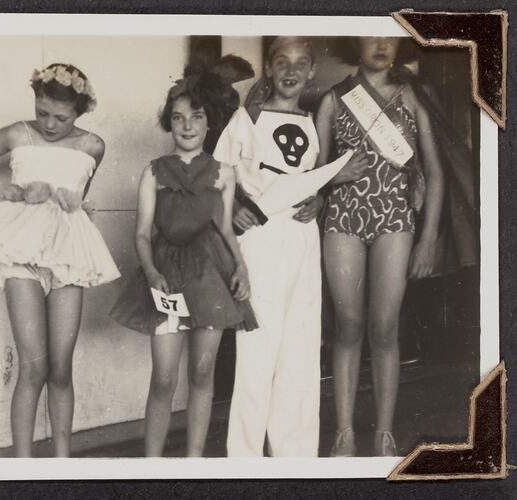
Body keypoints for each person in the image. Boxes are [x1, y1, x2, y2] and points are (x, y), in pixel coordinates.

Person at [0, 63, 120, 457]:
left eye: (60, 117)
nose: (48, 124)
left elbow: (75, 199)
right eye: (42, 112)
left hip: (67, 257)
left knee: (61, 367)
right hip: (22, 256)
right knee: (34, 366)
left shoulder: (92, 145)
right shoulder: (17, 133)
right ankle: (23, 466)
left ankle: (62, 463)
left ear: (79, 112)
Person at [213, 36, 359, 457]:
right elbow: (219, 176)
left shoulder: (314, 121)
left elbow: (311, 178)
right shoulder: (247, 117)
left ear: (312, 71)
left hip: (301, 239)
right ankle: (244, 457)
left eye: (300, 63)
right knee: (258, 349)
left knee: (300, 345)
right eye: (282, 62)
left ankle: (294, 455)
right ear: (270, 70)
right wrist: (236, 207)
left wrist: (319, 200)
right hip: (261, 239)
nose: (291, 71)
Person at [110, 58, 258, 457]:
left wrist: (241, 268)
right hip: (167, 275)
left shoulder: (224, 173)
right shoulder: (154, 172)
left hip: (210, 272)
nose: (188, 126)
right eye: (178, 118)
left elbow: (227, 229)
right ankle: (153, 464)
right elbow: (142, 232)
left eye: (196, 117)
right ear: (168, 123)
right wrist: (152, 271)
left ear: (210, 122)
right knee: (163, 377)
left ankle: (194, 462)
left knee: (201, 371)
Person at [317, 37, 445, 456]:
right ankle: (344, 433)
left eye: (389, 38)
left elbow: (435, 173)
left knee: (385, 328)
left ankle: (384, 432)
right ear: (354, 43)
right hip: (343, 218)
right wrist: (334, 177)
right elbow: (311, 176)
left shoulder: (412, 97)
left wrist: (427, 238)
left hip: (394, 219)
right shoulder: (335, 99)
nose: (381, 45)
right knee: (348, 326)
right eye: (371, 37)